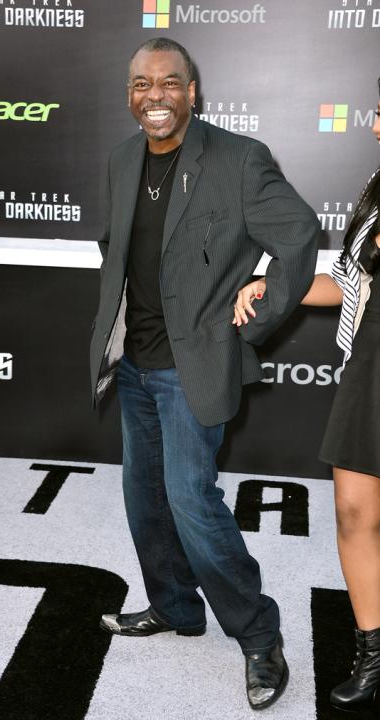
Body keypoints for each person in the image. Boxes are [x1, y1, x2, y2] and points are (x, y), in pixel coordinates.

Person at [90, 37, 320, 710]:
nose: (154, 95)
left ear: (192, 91)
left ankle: (260, 636)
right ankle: (175, 607)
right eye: (141, 84)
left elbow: (299, 233)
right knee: (143, 497)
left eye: (168, 82)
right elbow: (115, 246)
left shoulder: (238, 159)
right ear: (129, 95)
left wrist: (256, 308)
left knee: (192, 501)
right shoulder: (123, 159)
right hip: (135, 363)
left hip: (192, 364)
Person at [233, 81, 380, 713]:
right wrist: (272, 285)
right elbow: (347, 281)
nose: (377, 126)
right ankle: (374, 652)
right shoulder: (375, 188)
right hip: (369, 362)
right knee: (353, 512)